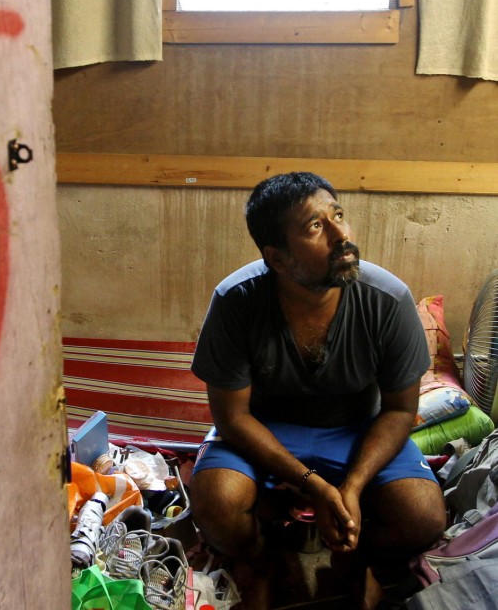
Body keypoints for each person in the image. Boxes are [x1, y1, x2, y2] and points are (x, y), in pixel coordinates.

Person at [188, 172, 446, 610]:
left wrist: (353, 485)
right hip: (263, 431)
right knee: (215, 505)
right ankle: (267, 561)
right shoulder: (236, 301)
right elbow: (232, 417)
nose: (341, 234)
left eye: (338, 215)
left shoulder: (387, 299)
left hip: (357, 431)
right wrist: (313, 485)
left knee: (423, 517)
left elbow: (401, 409)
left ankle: (355, 560)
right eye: (315, 226)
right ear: (278, 258)